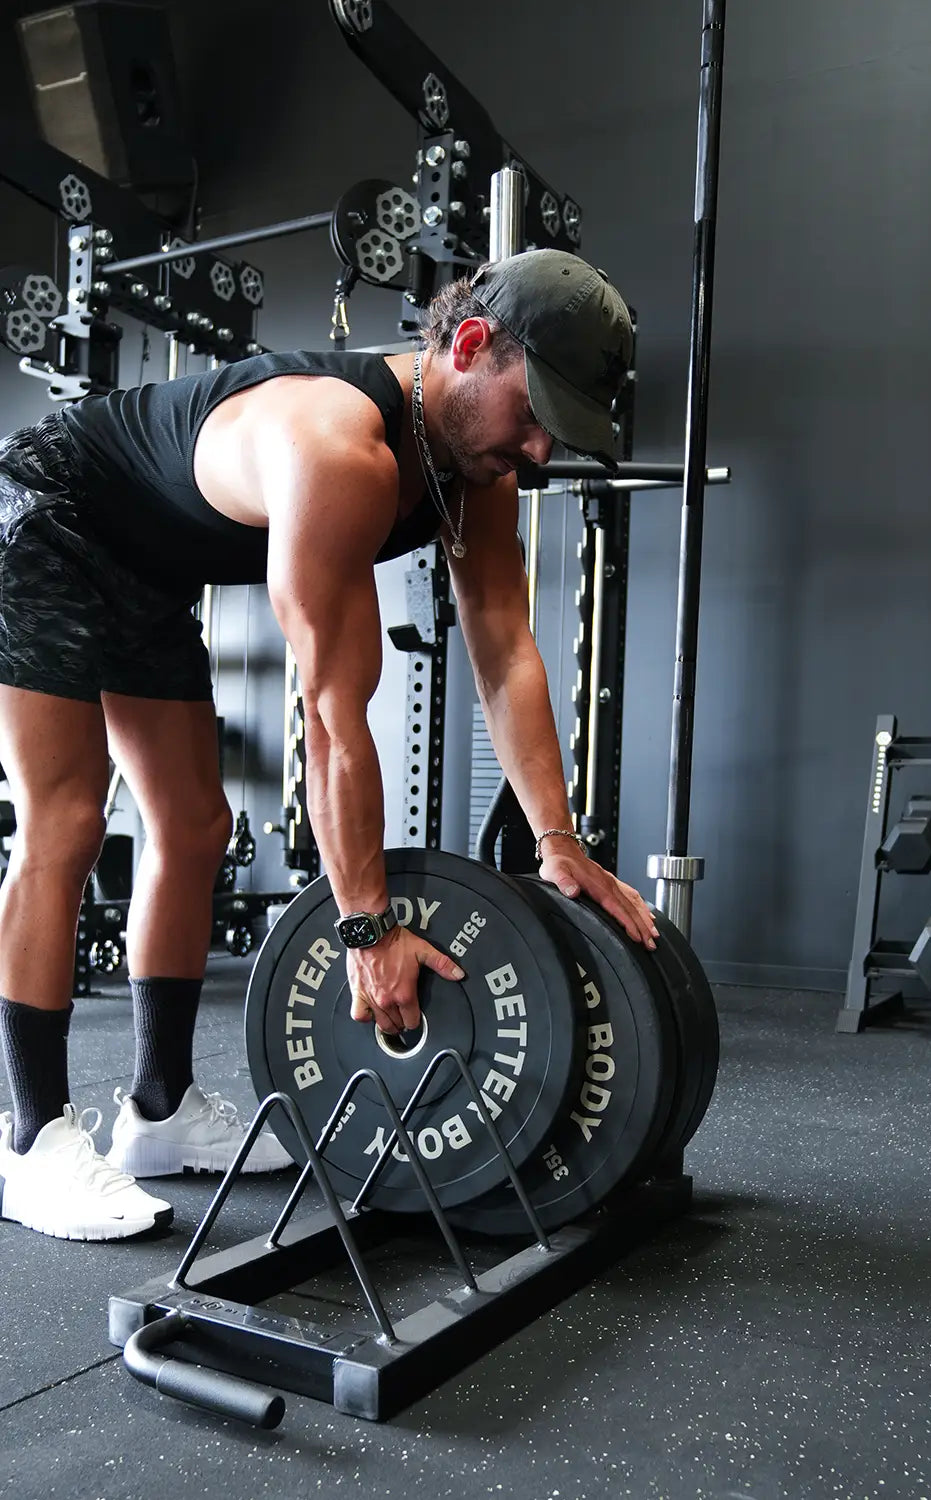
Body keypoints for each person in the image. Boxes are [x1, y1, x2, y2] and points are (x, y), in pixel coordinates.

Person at [0, 247, 657, 1243]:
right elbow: (333, 715)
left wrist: (555, 839)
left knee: (192, 822)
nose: (537, 452)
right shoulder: (337, 447)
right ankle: (30, 1141)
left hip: (144, 569)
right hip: (44, 519)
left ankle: (160, 1111)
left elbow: (507, 653)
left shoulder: (474, 470)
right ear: (470, 346)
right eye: (533, 416)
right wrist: (365, 930)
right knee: (69, 816)